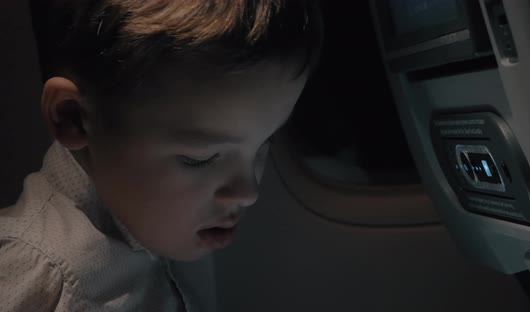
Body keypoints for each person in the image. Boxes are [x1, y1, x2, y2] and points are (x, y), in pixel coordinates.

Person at [0, 0, 322, 311]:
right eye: (201, 158)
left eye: (266, 143)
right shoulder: (37, 275)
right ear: (73, 118)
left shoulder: (158, 222)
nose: (249, 192)